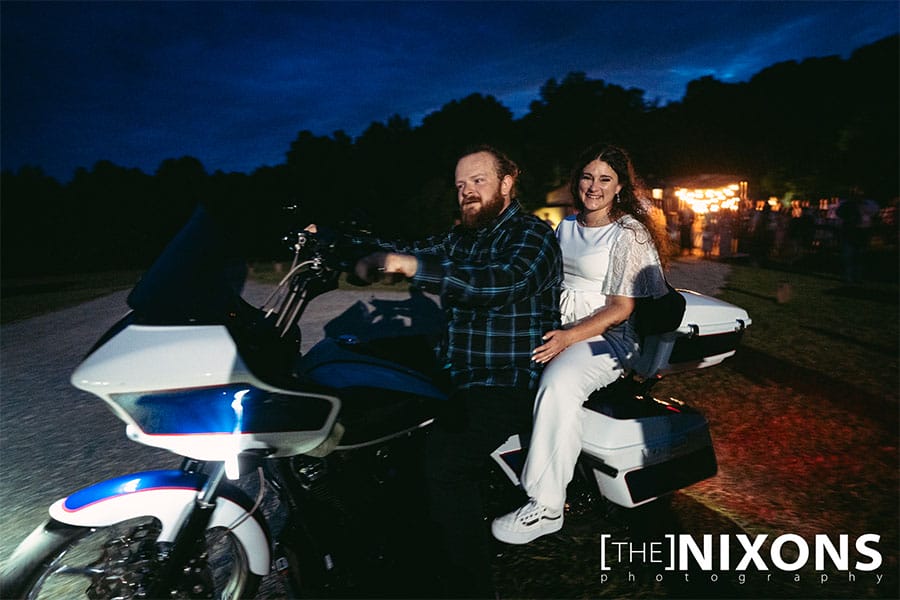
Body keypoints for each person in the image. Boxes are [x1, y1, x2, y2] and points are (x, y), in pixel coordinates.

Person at [352, 145, 562, 597]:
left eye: (478, 181)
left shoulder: (531, 235)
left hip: (507, 379)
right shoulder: (462, 236)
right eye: (461, 185)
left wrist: (414, 268)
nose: (466, 192)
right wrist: (341, 242)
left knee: (444, 464)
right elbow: (409, 248)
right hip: (457, 372)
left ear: (508, 182)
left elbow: (498, 282)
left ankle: (472, 587)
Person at [491, 143, 669, 545]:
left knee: (559, 383)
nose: (594, 186)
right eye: (588, 177)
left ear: (619, 186)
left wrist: (569, 337)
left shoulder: (629, 234)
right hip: (560, 327)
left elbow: (622, 308)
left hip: (608, 339)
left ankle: (547, 505)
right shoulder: (567, 227)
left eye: (605, 179)